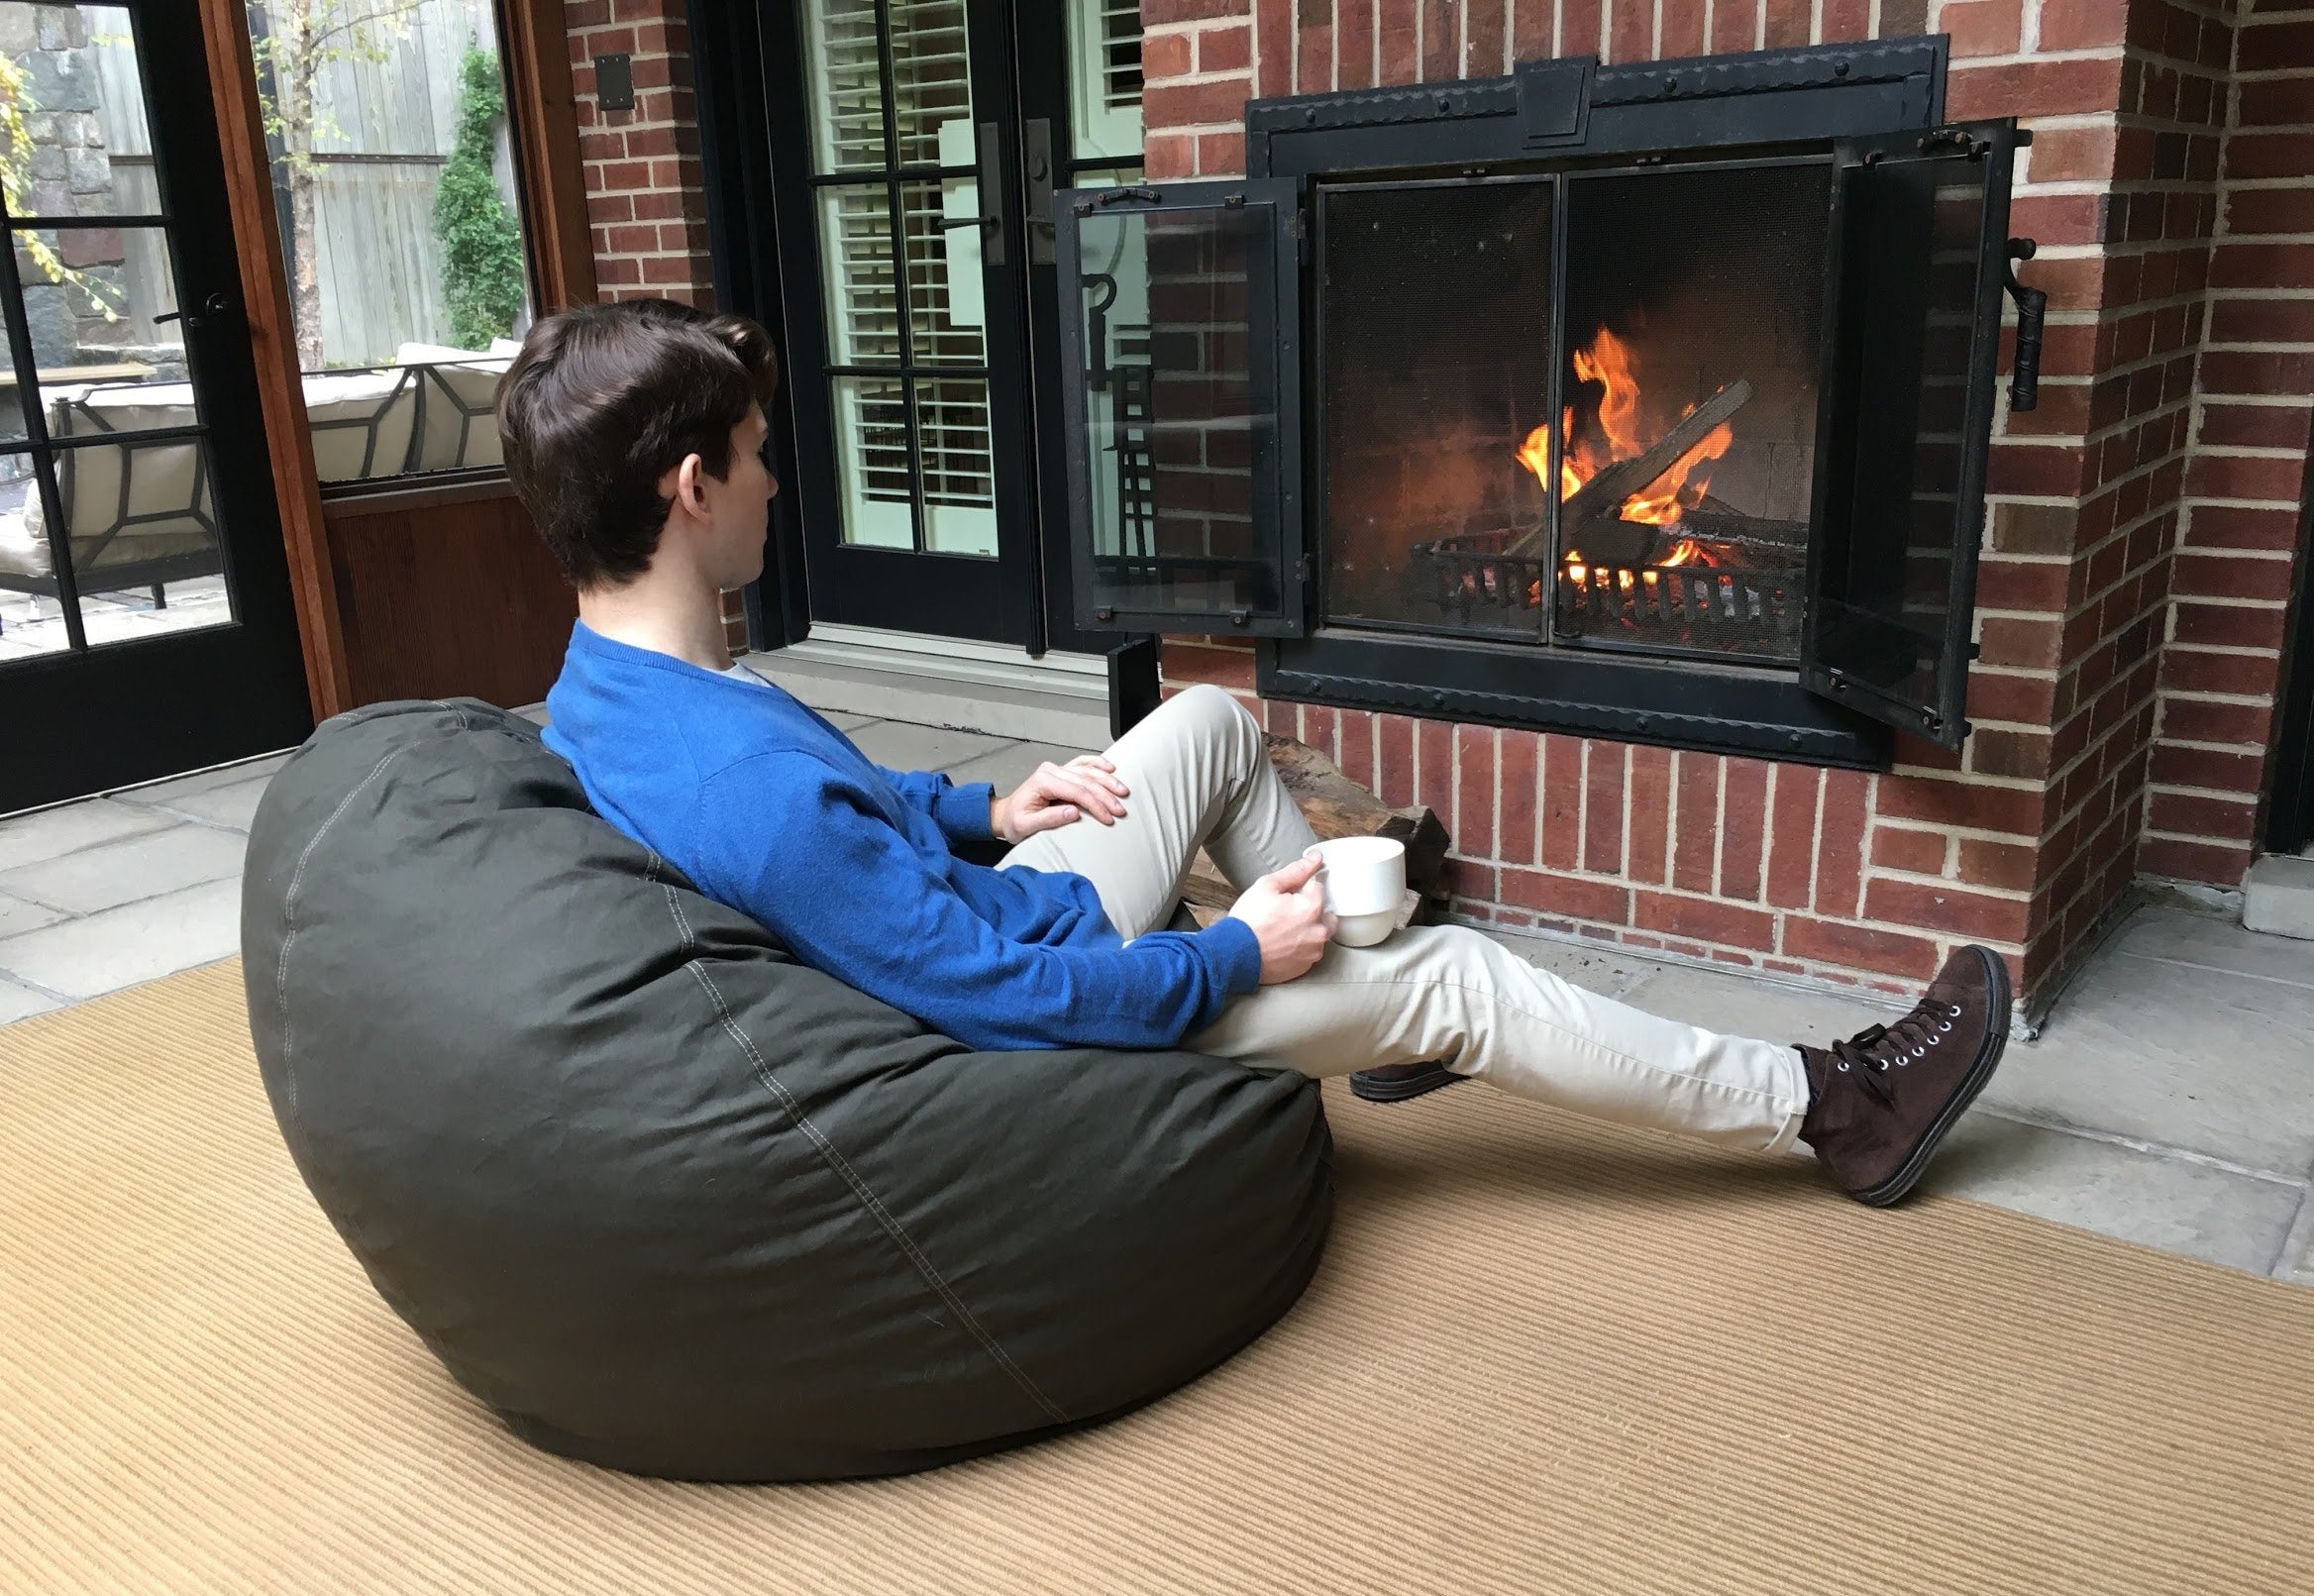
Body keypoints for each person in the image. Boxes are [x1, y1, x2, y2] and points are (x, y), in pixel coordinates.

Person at [499, 298, 2009, 1208]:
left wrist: (977, 803)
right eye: (762, 454)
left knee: (1211, 719)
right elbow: (1003, 1004)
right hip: (1028, 1045)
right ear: (695, 488)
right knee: (1456, 978)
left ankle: (1372, 999)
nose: (781, 478)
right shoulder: (731, 781)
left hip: (998, 919)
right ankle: (1839, 1107)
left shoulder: (618, 681)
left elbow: (846, 817)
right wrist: (1240, 957)